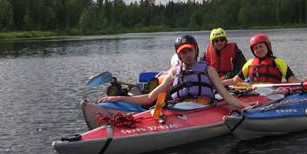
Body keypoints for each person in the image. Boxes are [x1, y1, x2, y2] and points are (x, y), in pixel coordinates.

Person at [100, 35, 248, 110]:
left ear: (196, 50)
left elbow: (226, 96)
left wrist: (244, 107)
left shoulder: (208, 70)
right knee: (156, 106)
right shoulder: (174, 72)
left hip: (202, 108)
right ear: (178, 55)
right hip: (177, 109)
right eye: (183, 52)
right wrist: (118, 98)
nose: (187, 55)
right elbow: (149, 98)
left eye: (189, 50)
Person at [222, 33, 300, 88]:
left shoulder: (279, 62)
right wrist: (218, 83)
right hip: (254, 93)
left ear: (267, 46)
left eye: (261, 46)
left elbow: (292, 80)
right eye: (255, 48)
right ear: (253, 51)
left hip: (274, 93)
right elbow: (235, 80)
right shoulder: (250, 63)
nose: (259, 50)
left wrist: (304, 84)